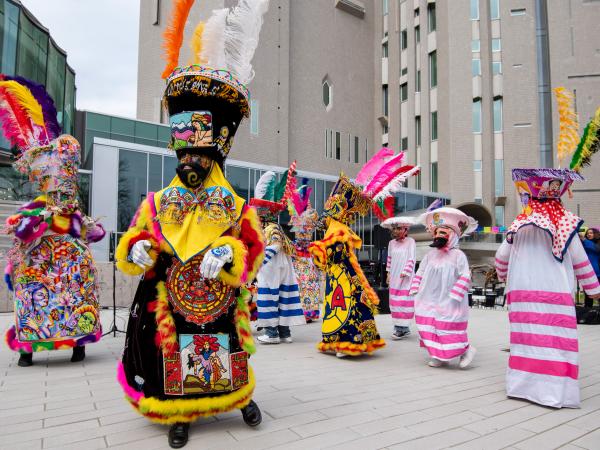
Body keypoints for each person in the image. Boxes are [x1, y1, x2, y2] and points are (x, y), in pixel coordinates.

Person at [114, 1, 268, 447]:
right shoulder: (160, 201)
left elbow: (252, 251)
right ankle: (179, 411)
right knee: (167, 349)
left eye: (199, 155)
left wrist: (230, 253)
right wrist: (137, 249)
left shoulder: (235, 205)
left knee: (229, 346)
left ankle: (239, 397)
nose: (191, 163)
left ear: (215, 155)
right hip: (170, 294)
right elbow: (137, 236)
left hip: (218, 295)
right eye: (185, 155)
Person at [0, 75, 105, 367]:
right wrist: (40, 219)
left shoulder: (72, 212)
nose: (61, 190)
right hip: (41, 270)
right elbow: (19, 231)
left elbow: (96, 234)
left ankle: (78, 344)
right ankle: (28, 350)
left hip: (70, 271)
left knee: (77, 297)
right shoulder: (36, 208)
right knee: (34, 299)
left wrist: (87, 224)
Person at [495, 168, 600, 408]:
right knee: (555, 342)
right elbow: (580, 259)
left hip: (521, 294)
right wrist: (593, 289)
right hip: (555, 294)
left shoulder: (518, 225)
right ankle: (554, 392)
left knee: (526, 339)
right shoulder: (564, 223)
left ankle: (521, 387)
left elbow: (502, 257)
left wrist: (503, 276)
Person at [310, 147, 419, 358]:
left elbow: (335, 256)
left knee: (347, 308)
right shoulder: (337, 230)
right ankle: (340, 342)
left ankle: (346, 343)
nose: (324, 219)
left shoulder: (338, 231)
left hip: (343, 280)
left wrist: (320, 254)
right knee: (341, 308)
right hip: (340, 280)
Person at [410, 207, 478, 369]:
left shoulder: (458, 255)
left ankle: (466, 350)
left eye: (444, 232)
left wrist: (456, 293)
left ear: (453, 235)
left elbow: (465, 275)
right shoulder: (430, 255)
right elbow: (421, 270)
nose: (438, 236)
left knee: (447, 326)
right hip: (428, 298)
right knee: (429, 324)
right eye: (437, 232)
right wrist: (415, 286)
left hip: (449, 299)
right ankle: (438, 354)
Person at [249, 165, 306, 344]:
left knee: (269, 296)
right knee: (282, 296)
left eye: (259, 210)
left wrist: (258, 262)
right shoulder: (276, 227)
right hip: (281, 267)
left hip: (271, 267)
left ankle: (272, 332)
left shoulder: (270, 228)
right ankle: (284, 332)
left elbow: (274, 246)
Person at [288, 181, 323, 322]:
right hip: (299, 256)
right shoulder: (296, 217)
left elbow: (313, 222)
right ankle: (302, 312)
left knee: (309, 284)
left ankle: (309, 312)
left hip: (307, 256)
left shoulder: (310, 215)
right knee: (301, 284)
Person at [381, 216, 416, 339]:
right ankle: (401, 328)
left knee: (404, 302)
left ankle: (401, 329)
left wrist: (406, 271)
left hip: (406, 277)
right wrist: (388, 274)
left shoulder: (410, 241)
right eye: (395, 228)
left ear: (406, 229)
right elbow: (389, 260)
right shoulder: (391, 243)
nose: (396, 231)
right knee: (395, 302)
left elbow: (412, 258)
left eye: (399, 228)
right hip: (395, 277)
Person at [582, 228, 600, 308]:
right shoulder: (584, 244)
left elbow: (596, 248)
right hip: (587, 272)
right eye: (588, 233)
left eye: (591, 233)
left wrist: (584, 240)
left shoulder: (597, 244)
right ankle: (587, 312)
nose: (589, 234)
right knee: (588, 294)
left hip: (597, 272)